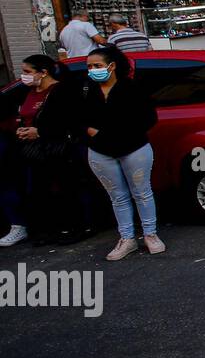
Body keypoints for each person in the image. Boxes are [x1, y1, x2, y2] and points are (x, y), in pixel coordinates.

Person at [81, 45, 164, 261]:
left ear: (112, 66)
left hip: (134, 148)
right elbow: (77, 120)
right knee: (117, 196)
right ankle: (126, 238)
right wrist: (94, 133)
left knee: (142, 192)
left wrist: (106, 132)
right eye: (89, 66)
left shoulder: (133, 88)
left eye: (97, 66)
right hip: (100, 152)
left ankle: (150, 234)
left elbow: (147, 119)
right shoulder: (86, 90)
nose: (92, 70)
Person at [0, 55, 87, 247]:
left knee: (65, 188)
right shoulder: (27, 91)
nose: (24, 76)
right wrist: (21, 129)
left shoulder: (61, 91)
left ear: (43, 72)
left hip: (56, 148)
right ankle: (47, 230)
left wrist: (39, 132)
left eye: (28, 72)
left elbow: (70, 121)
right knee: (39, 190)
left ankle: (74, 228)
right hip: (32, 150)